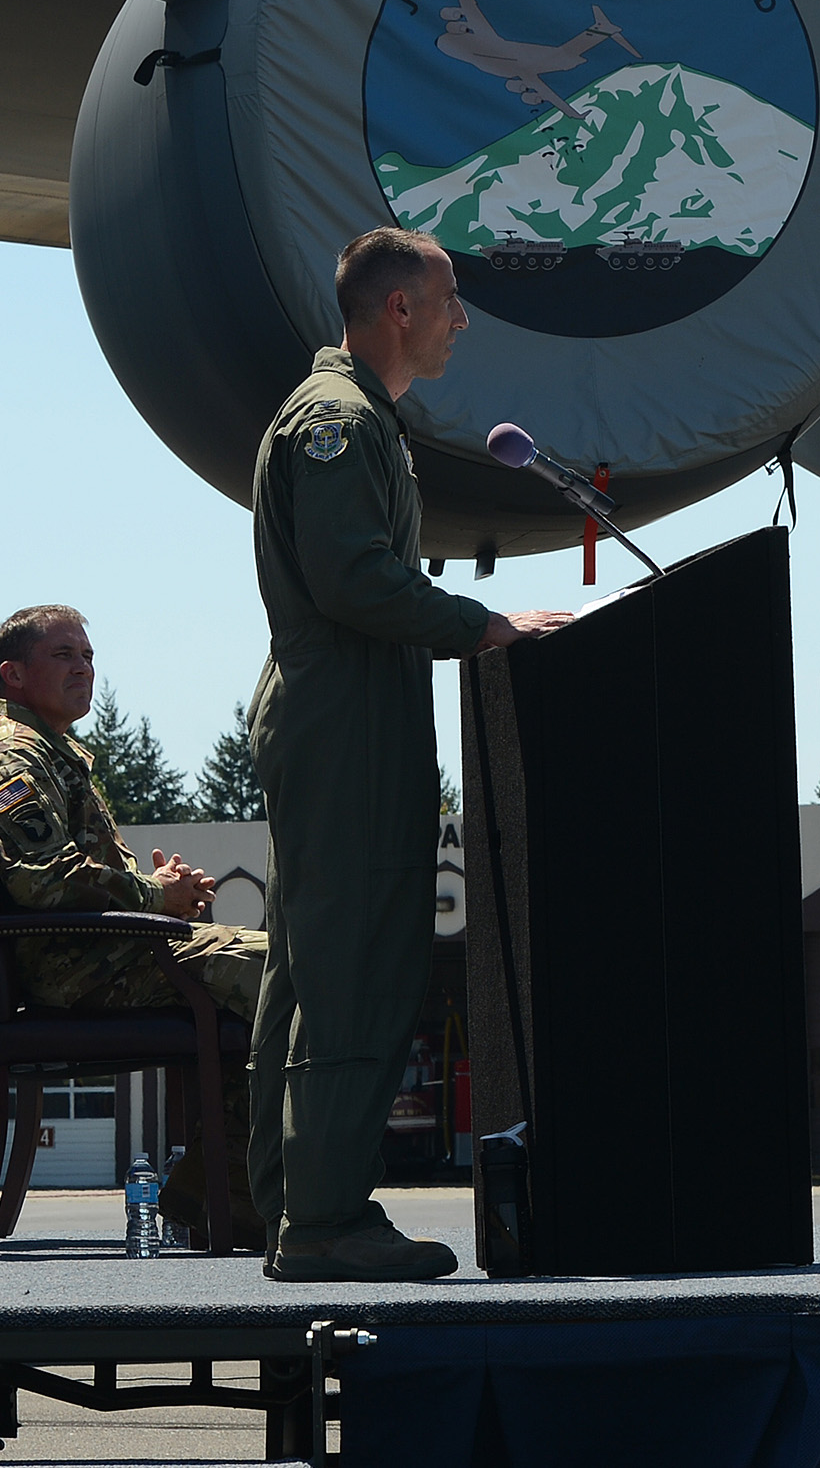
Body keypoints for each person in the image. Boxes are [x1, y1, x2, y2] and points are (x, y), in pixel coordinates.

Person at [247, 228, 569, 1282]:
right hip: (349, 723)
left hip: (349, 716)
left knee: (312, 963)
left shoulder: (354, 415)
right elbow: (355, 579)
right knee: (357, 970)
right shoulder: (340, 420)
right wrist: (488, 623)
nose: (458, 318)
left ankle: (296, 1201)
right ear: (398, 310)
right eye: (448, 299)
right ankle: (323, 1218)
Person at [0, 604, 266, 1245]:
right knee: (282, 973)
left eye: (88, 657)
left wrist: (166, 899)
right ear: (12, 674)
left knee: (279, 965)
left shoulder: (50, 756)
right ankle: (223, 1198)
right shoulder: (11, 762)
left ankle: (220, 1197)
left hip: (107, 953)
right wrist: (155, 895)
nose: (84, 668)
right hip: (77, 969)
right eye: (64, 655)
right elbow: (42, 880)